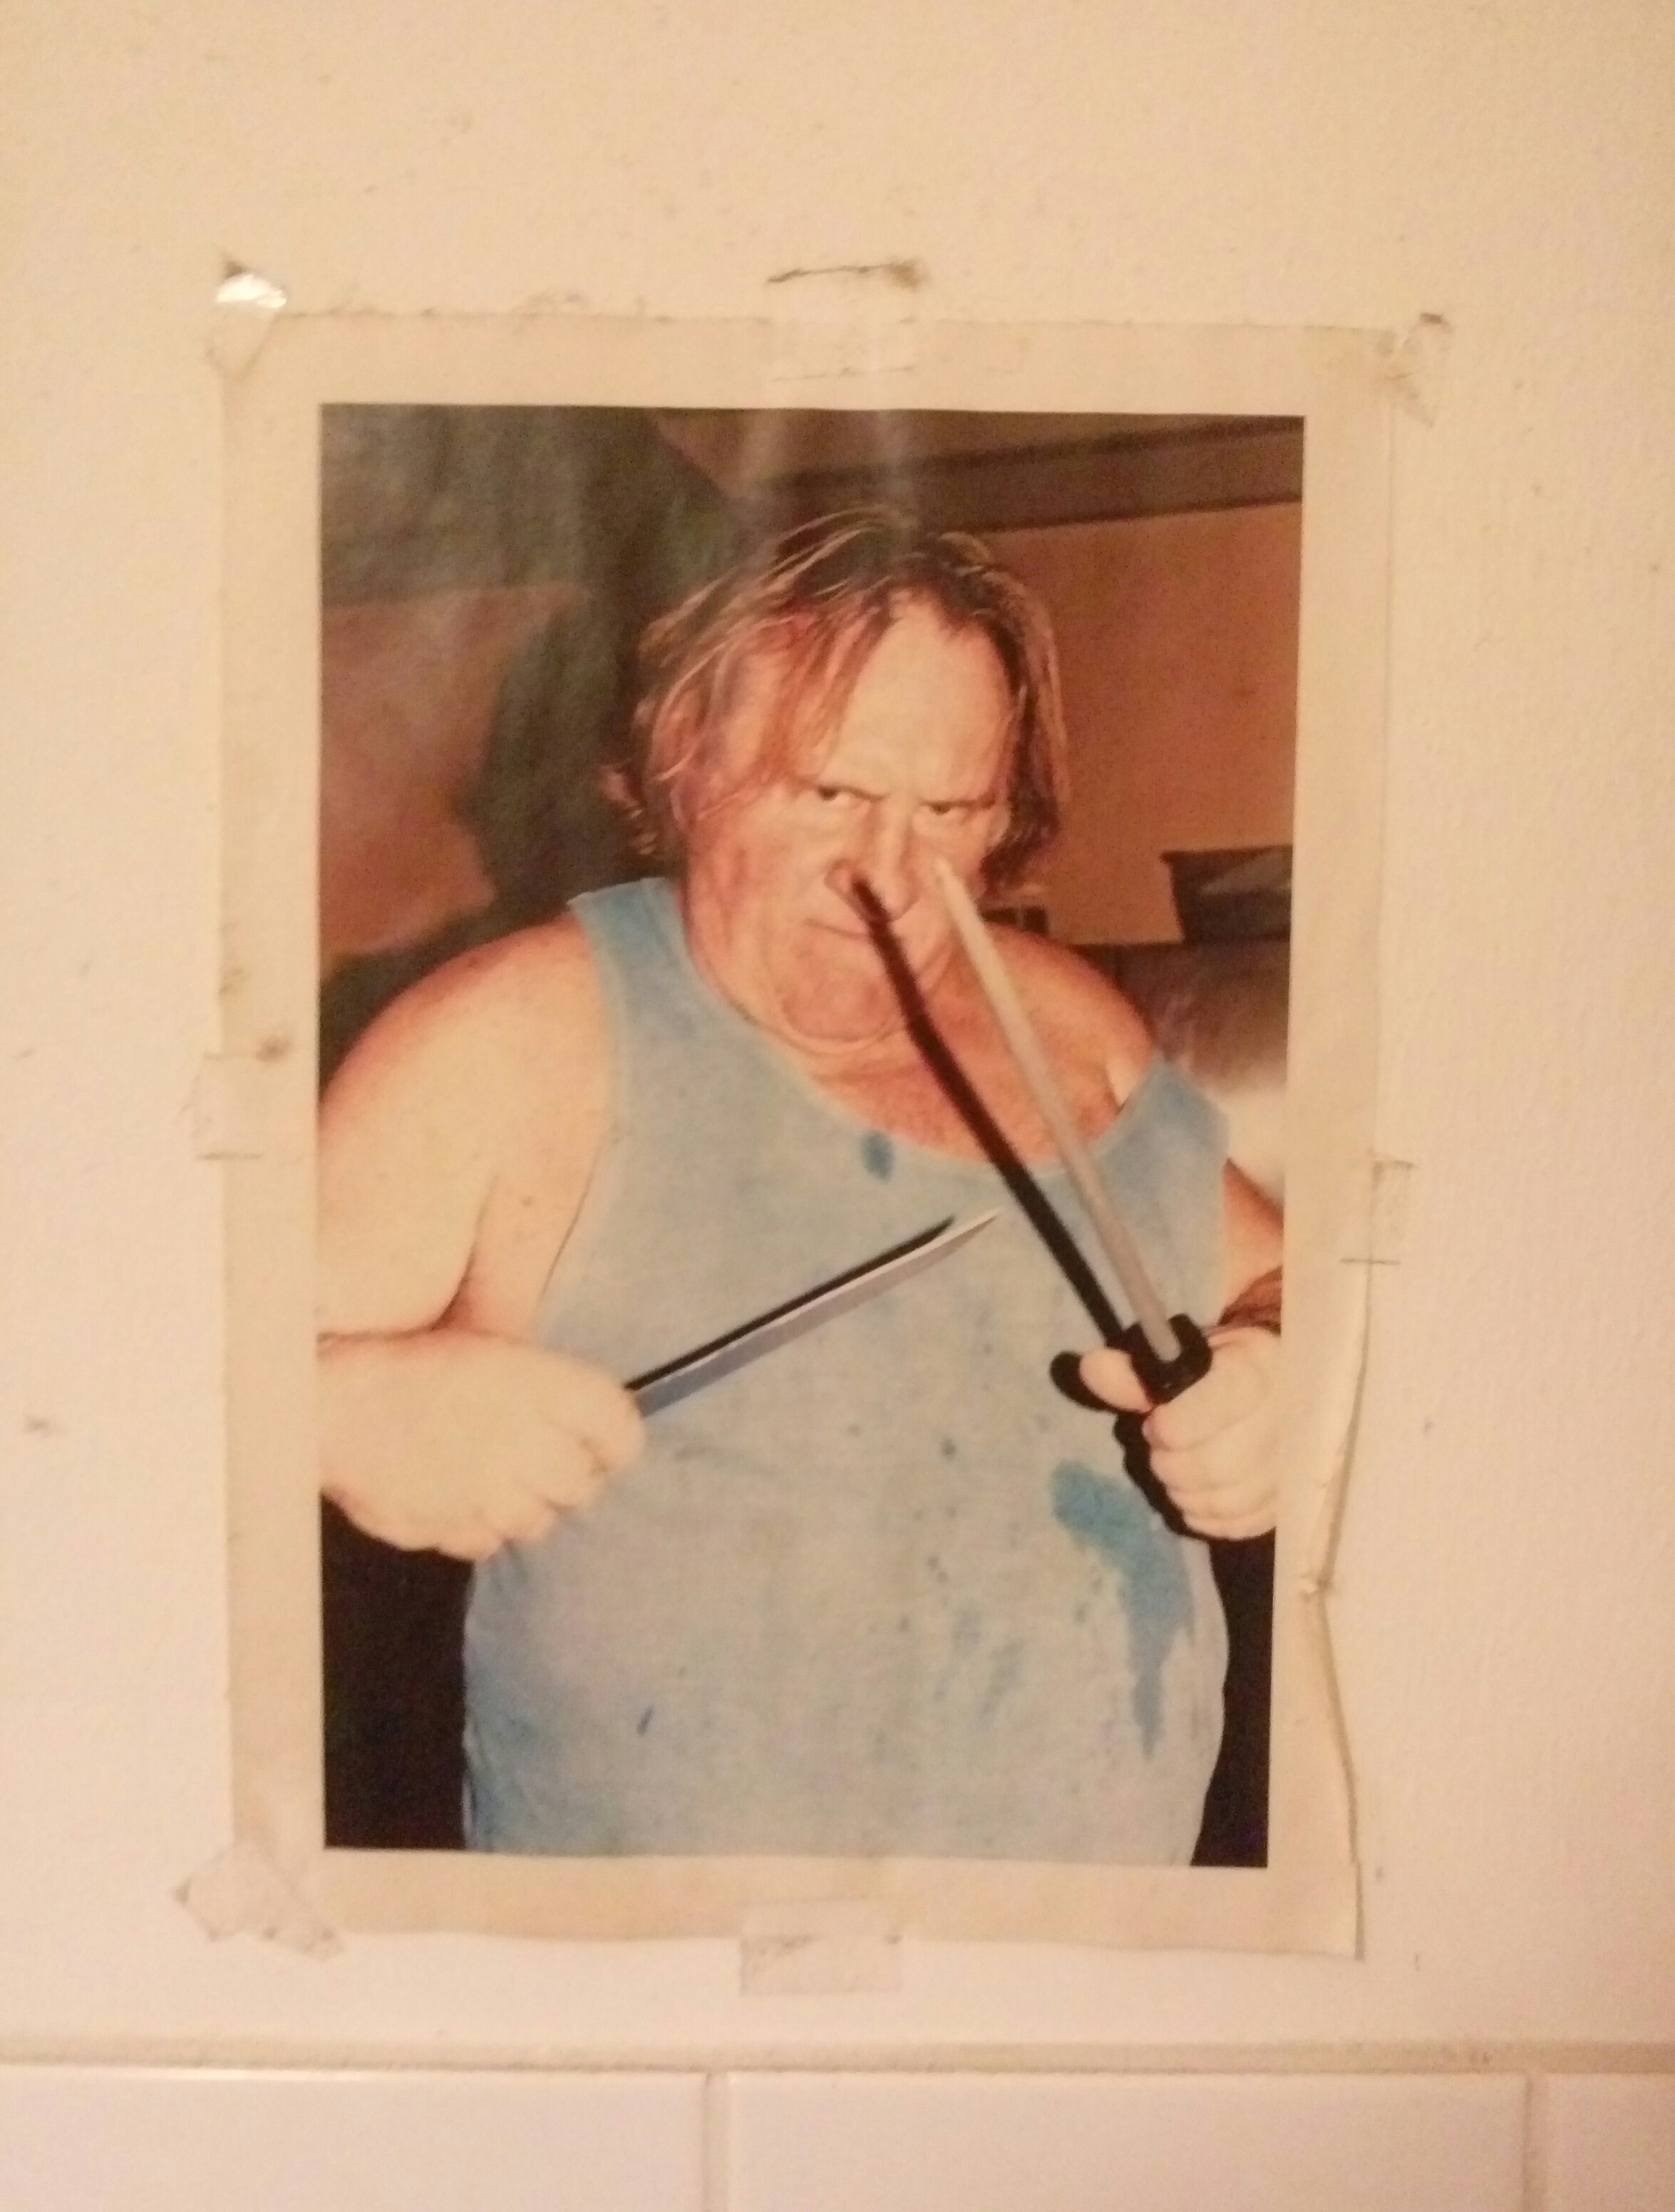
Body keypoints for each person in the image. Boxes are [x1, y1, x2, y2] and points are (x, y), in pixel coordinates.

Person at [317, 509, 1283, 1864]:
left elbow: (1277, 1280)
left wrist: (1272, 1369)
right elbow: (132, 1416)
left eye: (948, 811)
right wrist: (330, 1404)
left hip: (1103, 1931)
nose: (889, 874)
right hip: (674, 1958)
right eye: (828, 793)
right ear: (684, 762)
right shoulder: (510, 1039)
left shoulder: (1065, 1022)